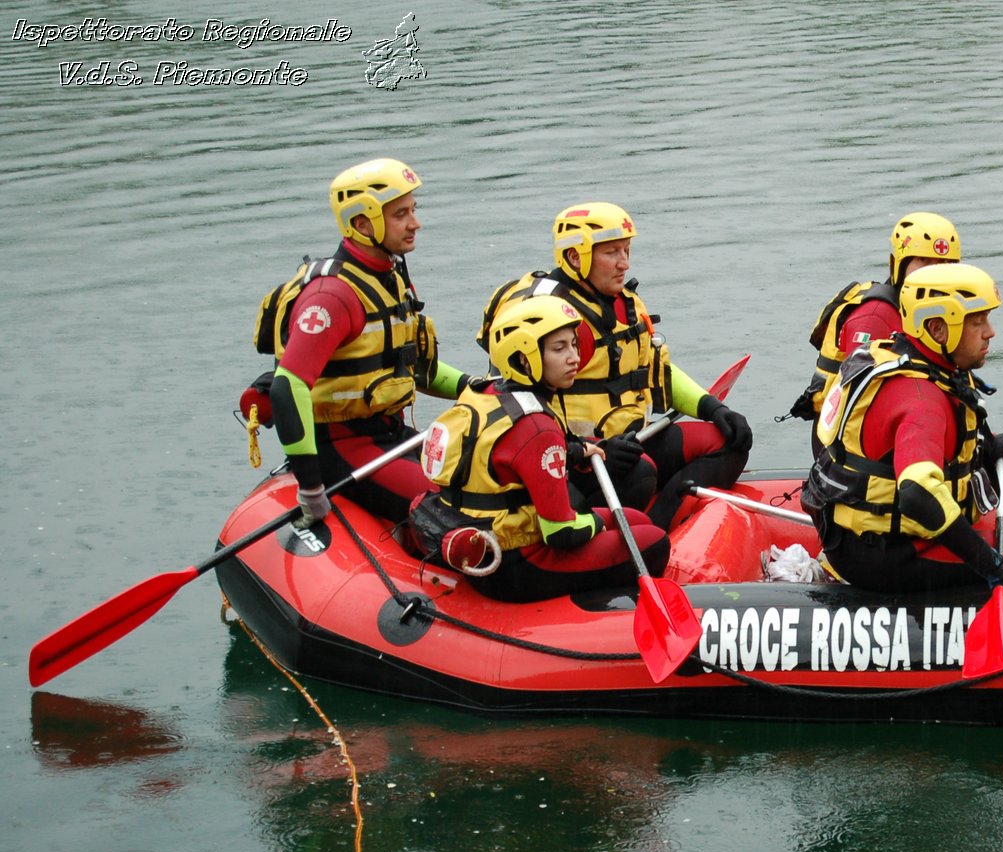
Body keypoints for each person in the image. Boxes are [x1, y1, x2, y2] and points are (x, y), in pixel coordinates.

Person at [476, 202, 752, 529]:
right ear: (575, 257)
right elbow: (513, 405)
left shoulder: (626, 302)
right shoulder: (542, 315)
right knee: (640, 475)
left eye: (626, 250)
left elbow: (651, 371)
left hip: (633, 438)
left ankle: (663, 524)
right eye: (611, 253)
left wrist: (713, 408)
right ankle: (638, 536)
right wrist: (586, 449)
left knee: (733, 440)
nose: (624, 263)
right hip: (571, 458)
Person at [802, 263, 1003, 594]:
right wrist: (988, 563)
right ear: (937, 329)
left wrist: (990, 450)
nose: (990, 332)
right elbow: (917, 492)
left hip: (852, 541)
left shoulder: (902, 358)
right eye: (977, 322)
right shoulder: (922, 399)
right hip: (886, 556)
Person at [254, 158, 476, 527]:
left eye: (413, 210)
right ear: (362, 223)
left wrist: (472, 386)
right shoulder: (333, 297)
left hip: (391, 435)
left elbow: (412, 369)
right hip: (342, 450)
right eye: (401, 214)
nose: (415, 223)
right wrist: (311, 490)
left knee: (490, 479)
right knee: (460, 506)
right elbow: (287, 387)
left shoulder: (388, 278)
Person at [409, 294, 669, 602]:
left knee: (634, 519)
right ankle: (604, 609)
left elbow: (507, 454)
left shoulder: (483, 391)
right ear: (524, 357)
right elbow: (561, 534)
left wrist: (575, 451)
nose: (575, 357)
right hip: (514, 564)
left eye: (574, 344)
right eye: (559, 349)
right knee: (654, 541)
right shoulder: (536, 426)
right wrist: (596, 524)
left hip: (488, 536)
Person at [788, 212, 964, 453]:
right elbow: (860, 406)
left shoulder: (930, 315)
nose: (935, 275)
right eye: (924, 262)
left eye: (946, 265)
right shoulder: (875, 317)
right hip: (848, 455)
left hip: (908, 430)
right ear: (897, 265)